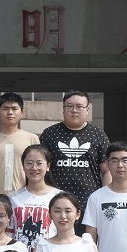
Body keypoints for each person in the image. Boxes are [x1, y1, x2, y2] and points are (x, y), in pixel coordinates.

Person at [39, 90, 110, 233]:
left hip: (89, 205)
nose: (74, 110)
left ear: (87, 110)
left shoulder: (98, 134)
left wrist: (105, 199)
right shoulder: (49, 134)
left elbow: (107, 170)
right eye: (69, 106)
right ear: (63, 109)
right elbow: (41, 167)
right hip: (55, 204)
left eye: (79, 106)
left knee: (86, 243)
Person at [0, 93, 40, 196]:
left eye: (14, 109)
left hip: (24, 198)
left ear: (22, 113)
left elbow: (38, 172)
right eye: (5, 109)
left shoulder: (32, 139)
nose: (10, 112)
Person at [9, 144, 61, 252]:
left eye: (39, 163)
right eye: (29, 163)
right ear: (23, 166)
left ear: (48, 166)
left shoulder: (59, 197)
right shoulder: (12, 198)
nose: (34, 168)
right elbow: (8, 233)